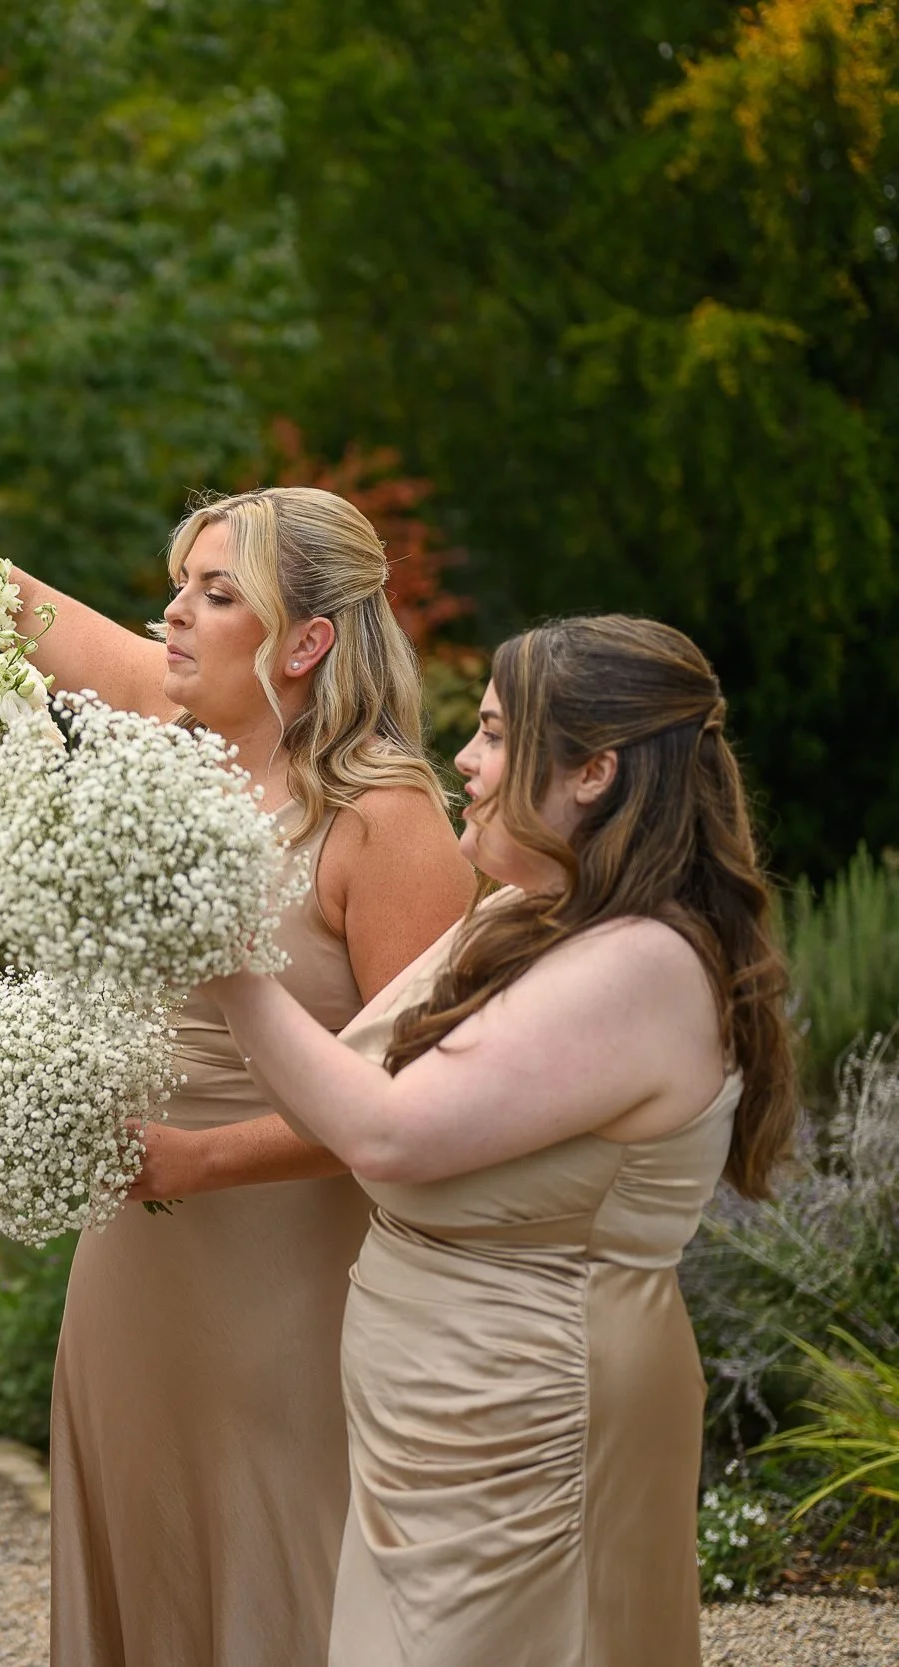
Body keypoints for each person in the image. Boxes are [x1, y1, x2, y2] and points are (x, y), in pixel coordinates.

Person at [0, 467, 474, 1665]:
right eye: (180, 583)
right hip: (130, 1247)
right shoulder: (168, 736)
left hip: (295, 1267)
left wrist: (195, 1159)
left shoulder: (384, 818)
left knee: (286, 1560)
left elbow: (421, 1103)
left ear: (305, 642)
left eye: (216, 593)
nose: (173, 611)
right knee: (145, 1541)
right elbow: (7, 595)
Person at [205, 616, 795, 1665]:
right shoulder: (522, 916)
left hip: (533, 1415)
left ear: (592, 771)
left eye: (491, 733)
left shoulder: (643, 962)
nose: (464, 762)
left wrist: (222, 956)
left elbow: (383, 1132)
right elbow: (337, 1085)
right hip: (436, 1416)